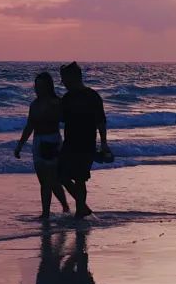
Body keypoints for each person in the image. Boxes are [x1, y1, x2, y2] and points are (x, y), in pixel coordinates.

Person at [15, 72, 70, 219]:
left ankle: (58, 208)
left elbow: (67, 120)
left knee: (51, 180)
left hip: (52, 141)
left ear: (48, 87)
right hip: (38, 142)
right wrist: (20, 145)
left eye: (41, 86)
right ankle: (48, 211)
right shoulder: (34, 104)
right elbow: (29, 126)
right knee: (43, 180)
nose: (37, 89)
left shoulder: (56, 103)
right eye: (36, 85)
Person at [58, 62, 110, 219]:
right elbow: (61, 118)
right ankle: (83, 207)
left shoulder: (92, 96)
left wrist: (104, 144)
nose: (63, 83)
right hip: (69, 142)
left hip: (86, 143)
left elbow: (101, 121)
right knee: (62, 176)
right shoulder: (67, 98)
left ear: (74, 78)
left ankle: (80, 210)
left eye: (65, 79)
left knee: (80, 179)